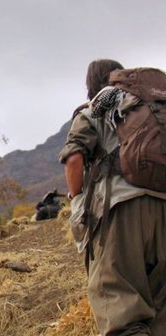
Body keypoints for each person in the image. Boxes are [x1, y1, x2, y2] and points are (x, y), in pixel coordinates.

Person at [59, 59, 166, 335]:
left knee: (121, 311)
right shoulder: (149, 107)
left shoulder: (96, 108)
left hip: (121, 214)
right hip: (163, 207)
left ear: (90, 86)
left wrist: (77, 200)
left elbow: (74, 158)